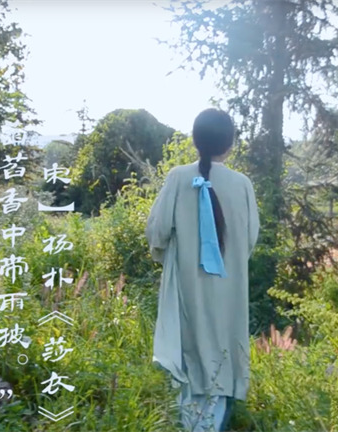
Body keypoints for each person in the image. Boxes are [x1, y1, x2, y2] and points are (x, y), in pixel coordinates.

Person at [146, 108, 260, 432]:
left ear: (196, 141)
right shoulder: (243, 185)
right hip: (228, 288)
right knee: (221, 354)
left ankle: (188, 424)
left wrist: (171, 254)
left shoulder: (178, 178)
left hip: (187, 287)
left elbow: (156, 232)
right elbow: (249, 240)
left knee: (188, 355)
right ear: (230, 144)